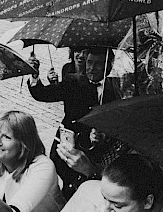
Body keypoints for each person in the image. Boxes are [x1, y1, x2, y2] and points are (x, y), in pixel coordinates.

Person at [28, 47, 123, 199]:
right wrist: (34, 75)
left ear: (109, 65)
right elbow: (42, 94)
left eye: (98, 64)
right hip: (72, 145)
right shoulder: (74, 81)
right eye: (89, 62)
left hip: (99, 157)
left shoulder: (117, 88)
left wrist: (104, 134)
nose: (91, 68)